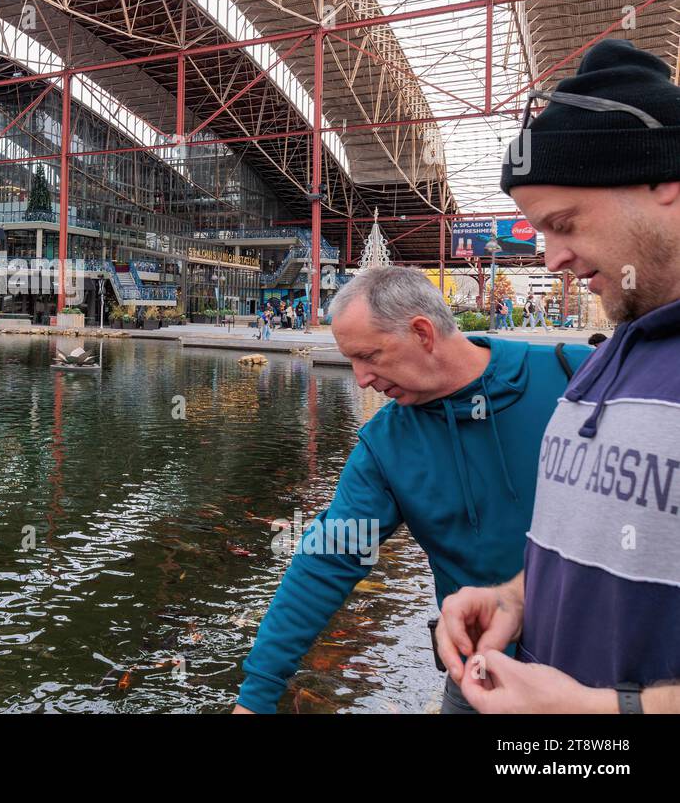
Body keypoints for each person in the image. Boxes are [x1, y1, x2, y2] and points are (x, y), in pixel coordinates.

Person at [438, 38, 680, 713]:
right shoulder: (607, 357)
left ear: (663, 180)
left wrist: (604, 715)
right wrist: (518, 597)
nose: (551, 258)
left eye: (564, 223)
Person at [233, 266, 589, 714]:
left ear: (422, 332)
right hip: (481, 676)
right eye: (352, 362)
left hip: (604, 668)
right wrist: (256, 696)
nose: (360, 379)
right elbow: (326, 559)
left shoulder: (576, 376)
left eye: (370, 356)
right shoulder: (386, 445)